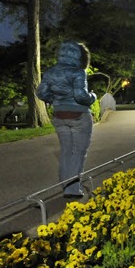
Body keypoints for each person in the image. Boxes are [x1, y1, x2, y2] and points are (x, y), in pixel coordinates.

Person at [37, 40, 97, 198]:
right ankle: (72, 189)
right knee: (78, 153)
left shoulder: (50, 72)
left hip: (59, 116)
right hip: (79, 116)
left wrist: (55, 100)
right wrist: (93, 97)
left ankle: (66, 185)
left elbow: (41, 93)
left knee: (65, 152)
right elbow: (80, 96)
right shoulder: (78, 72)